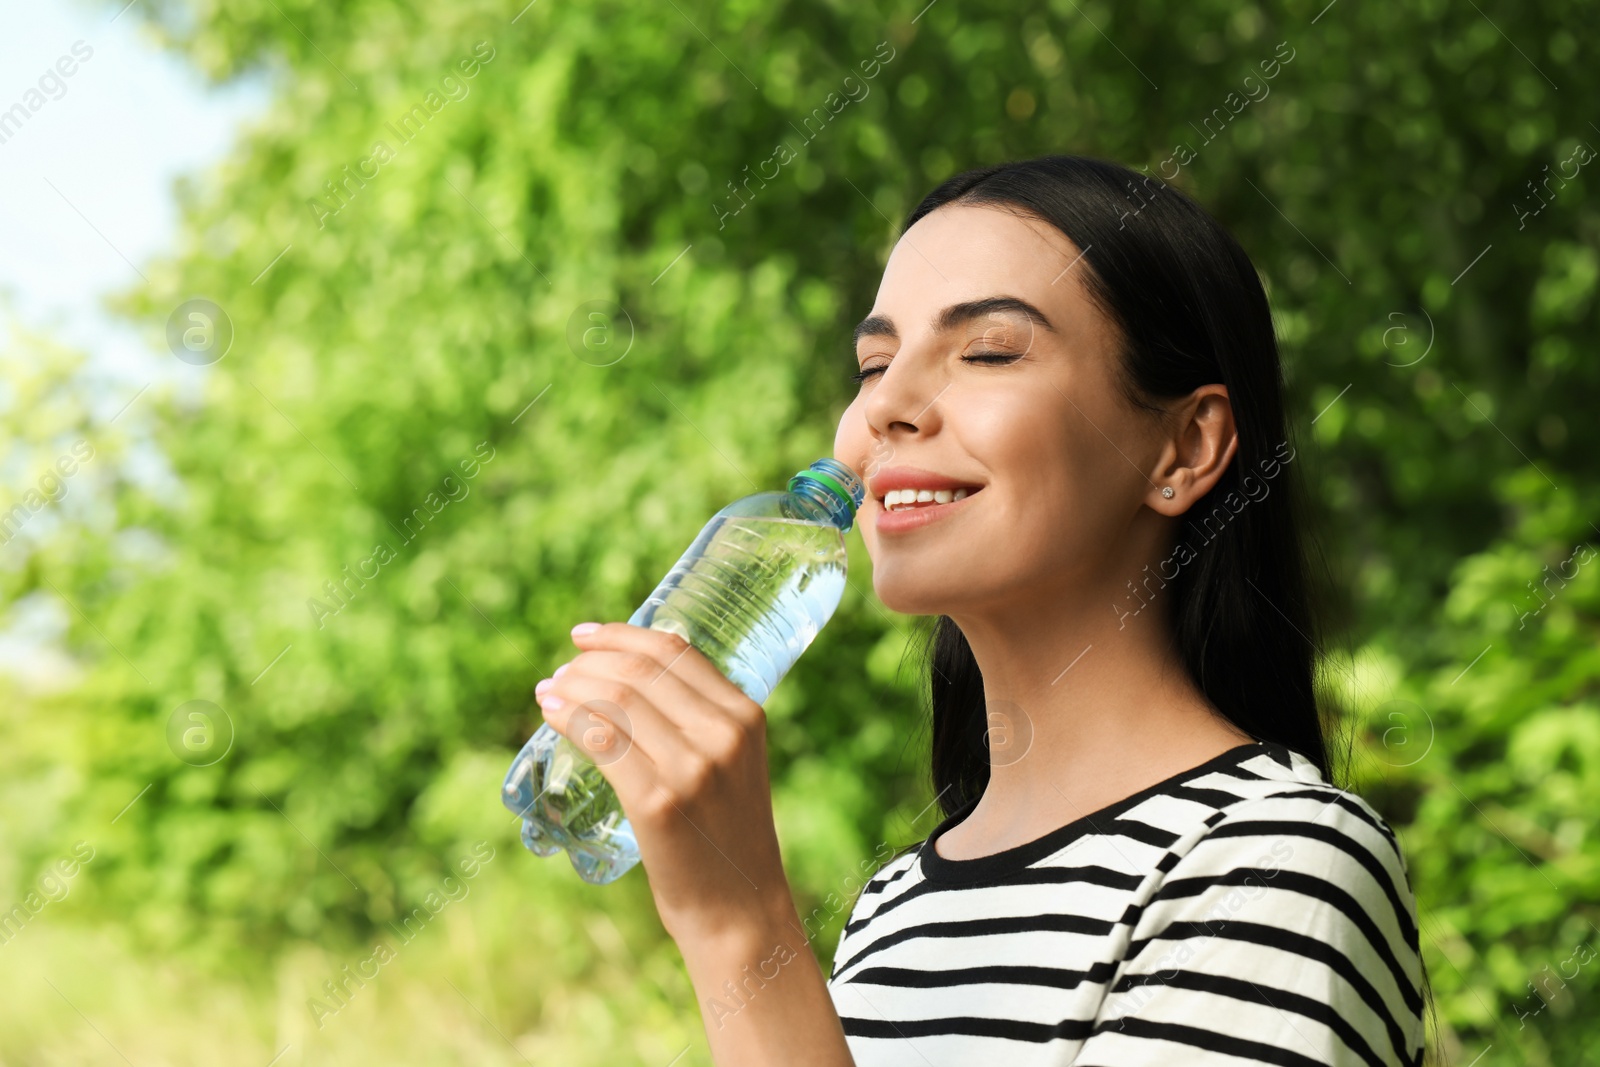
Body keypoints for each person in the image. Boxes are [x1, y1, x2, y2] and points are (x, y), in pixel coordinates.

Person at [533, 154, 1427, 1066]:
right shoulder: (894, 909)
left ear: (1185, 447)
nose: (887, 404)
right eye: (874, 362)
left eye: (989, 350)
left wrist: (741, 928)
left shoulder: (1275, 861)